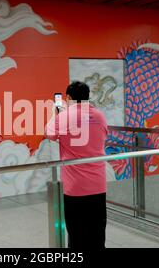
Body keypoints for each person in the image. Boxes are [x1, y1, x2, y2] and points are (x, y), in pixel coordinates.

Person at [45, 81, 108, 249]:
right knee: (98, 233)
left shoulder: (64, 117)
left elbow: (49, 134)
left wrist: (55, 114)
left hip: (75, 188)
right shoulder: (100, 115)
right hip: (98, 185)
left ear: (68, 98)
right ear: (87, 97)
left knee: (77, 234)